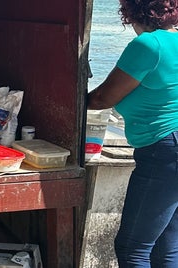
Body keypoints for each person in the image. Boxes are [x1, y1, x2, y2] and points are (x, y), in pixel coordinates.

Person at [87, 0, 178, 265]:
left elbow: (103, 98)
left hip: (163, 151)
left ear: (134, 13)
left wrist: (73, 101)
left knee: (132, 248)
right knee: (166, 247)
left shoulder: (148, 45)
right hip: (172, 147)